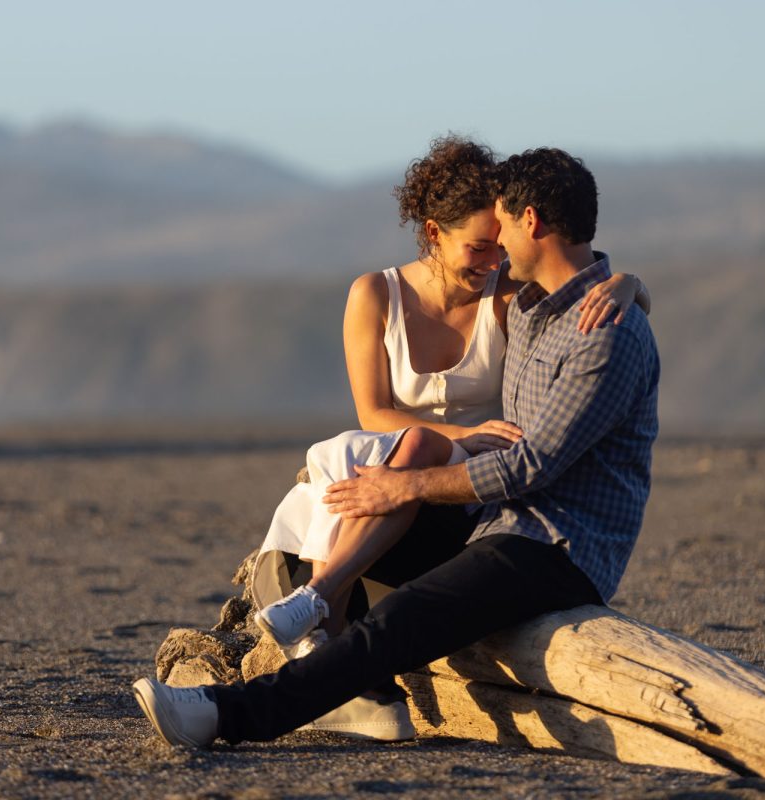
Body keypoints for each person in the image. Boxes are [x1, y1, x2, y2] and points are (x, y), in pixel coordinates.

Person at [132, 146, 661, 749]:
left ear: (531, 221)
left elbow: (530, 465)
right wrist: (627, 280)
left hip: (556, 544)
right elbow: (578, 276)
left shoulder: (603, 335)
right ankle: (328, 632)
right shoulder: (538, 305)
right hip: (495, 519)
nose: (497, 252)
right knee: (344, 527)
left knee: (404, 618)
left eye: (504, 228)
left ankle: (222, 716)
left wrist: (404, 485)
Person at [250, 138, 648, 661]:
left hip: (479, 486)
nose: (494, 259)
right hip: (402, 467)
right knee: (398, 450)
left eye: (500, 244)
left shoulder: (508, 295)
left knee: (412, 450)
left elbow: (578, 285)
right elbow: (374, 413)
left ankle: (321, 608)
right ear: (435, 233)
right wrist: (463, 435)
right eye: (479, 247)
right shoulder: (374, 295)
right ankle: (325, 625)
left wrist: (628, 283)